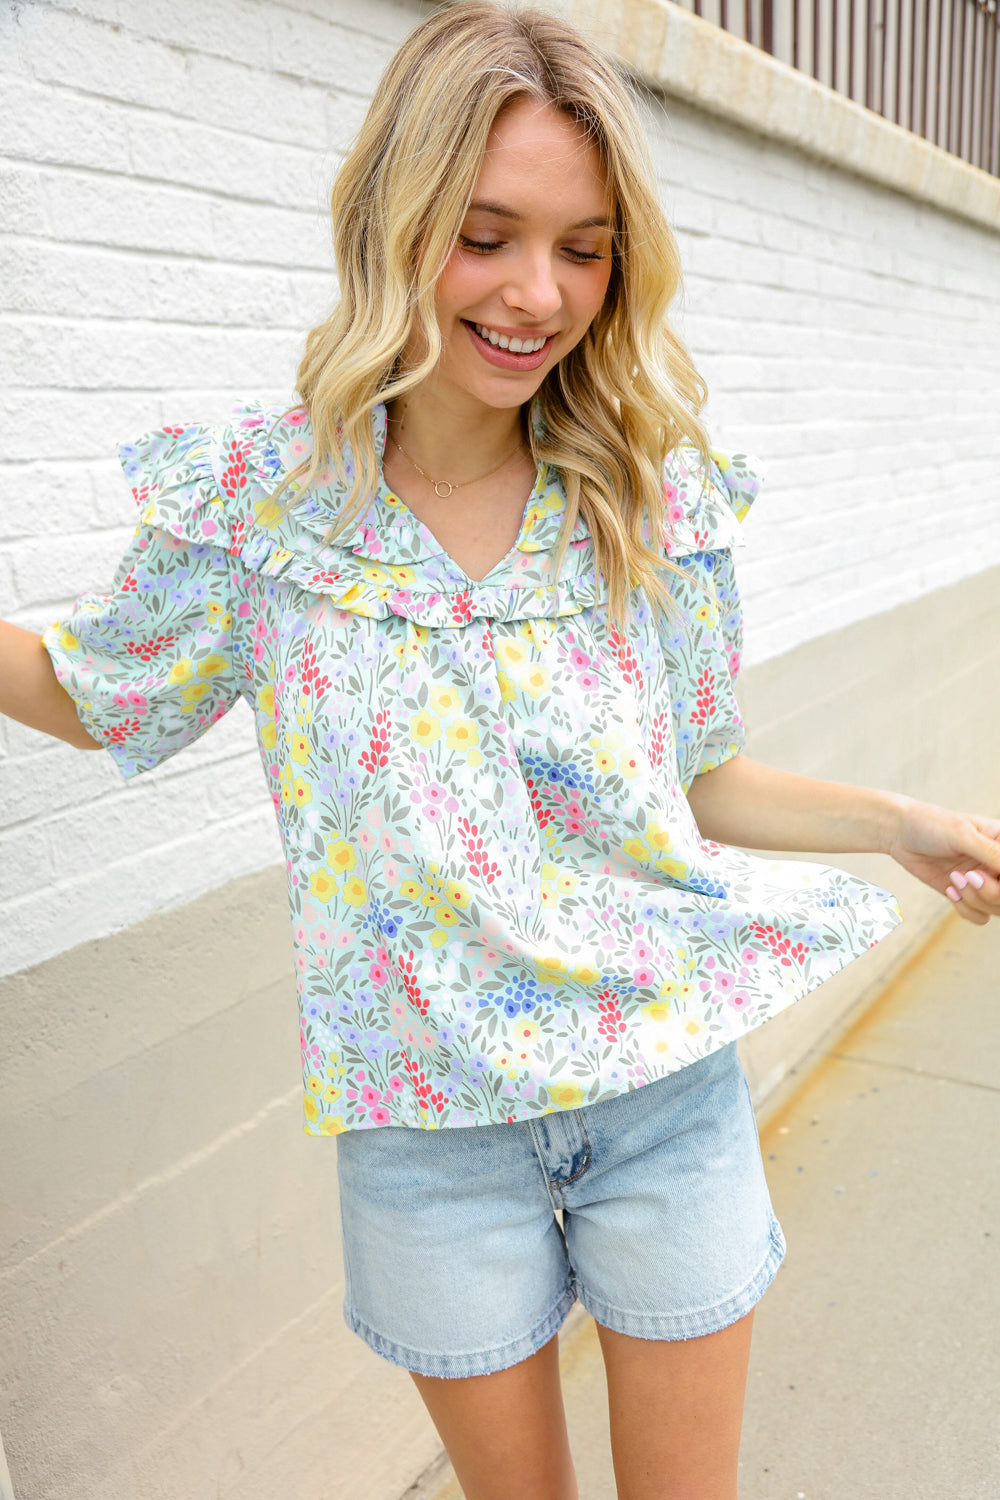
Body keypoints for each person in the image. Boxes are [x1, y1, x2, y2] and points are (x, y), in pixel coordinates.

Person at [2, 4, 998, 1496]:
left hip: (660, 1093)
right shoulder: (262, 512)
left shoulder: (645, 501)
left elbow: (700, 775)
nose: (539, 294)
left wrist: (903, 821)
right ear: (393, 221)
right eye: (486, 236)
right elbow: (102, 694)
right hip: (425, 1128)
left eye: (584, 249)